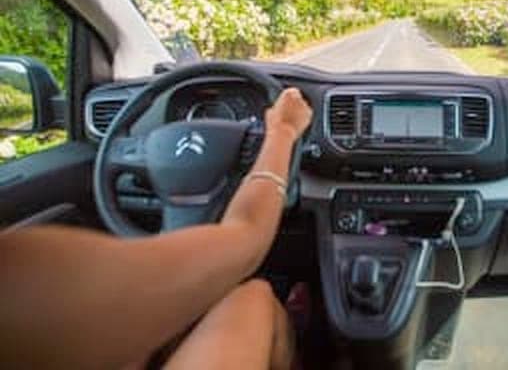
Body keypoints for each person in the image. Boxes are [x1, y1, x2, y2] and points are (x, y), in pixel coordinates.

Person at [0, 87, 313, 370]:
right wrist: (282, 132)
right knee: (253, 297)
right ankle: (292, 333)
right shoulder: (17, 273)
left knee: (144, 334)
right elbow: (247, 235)